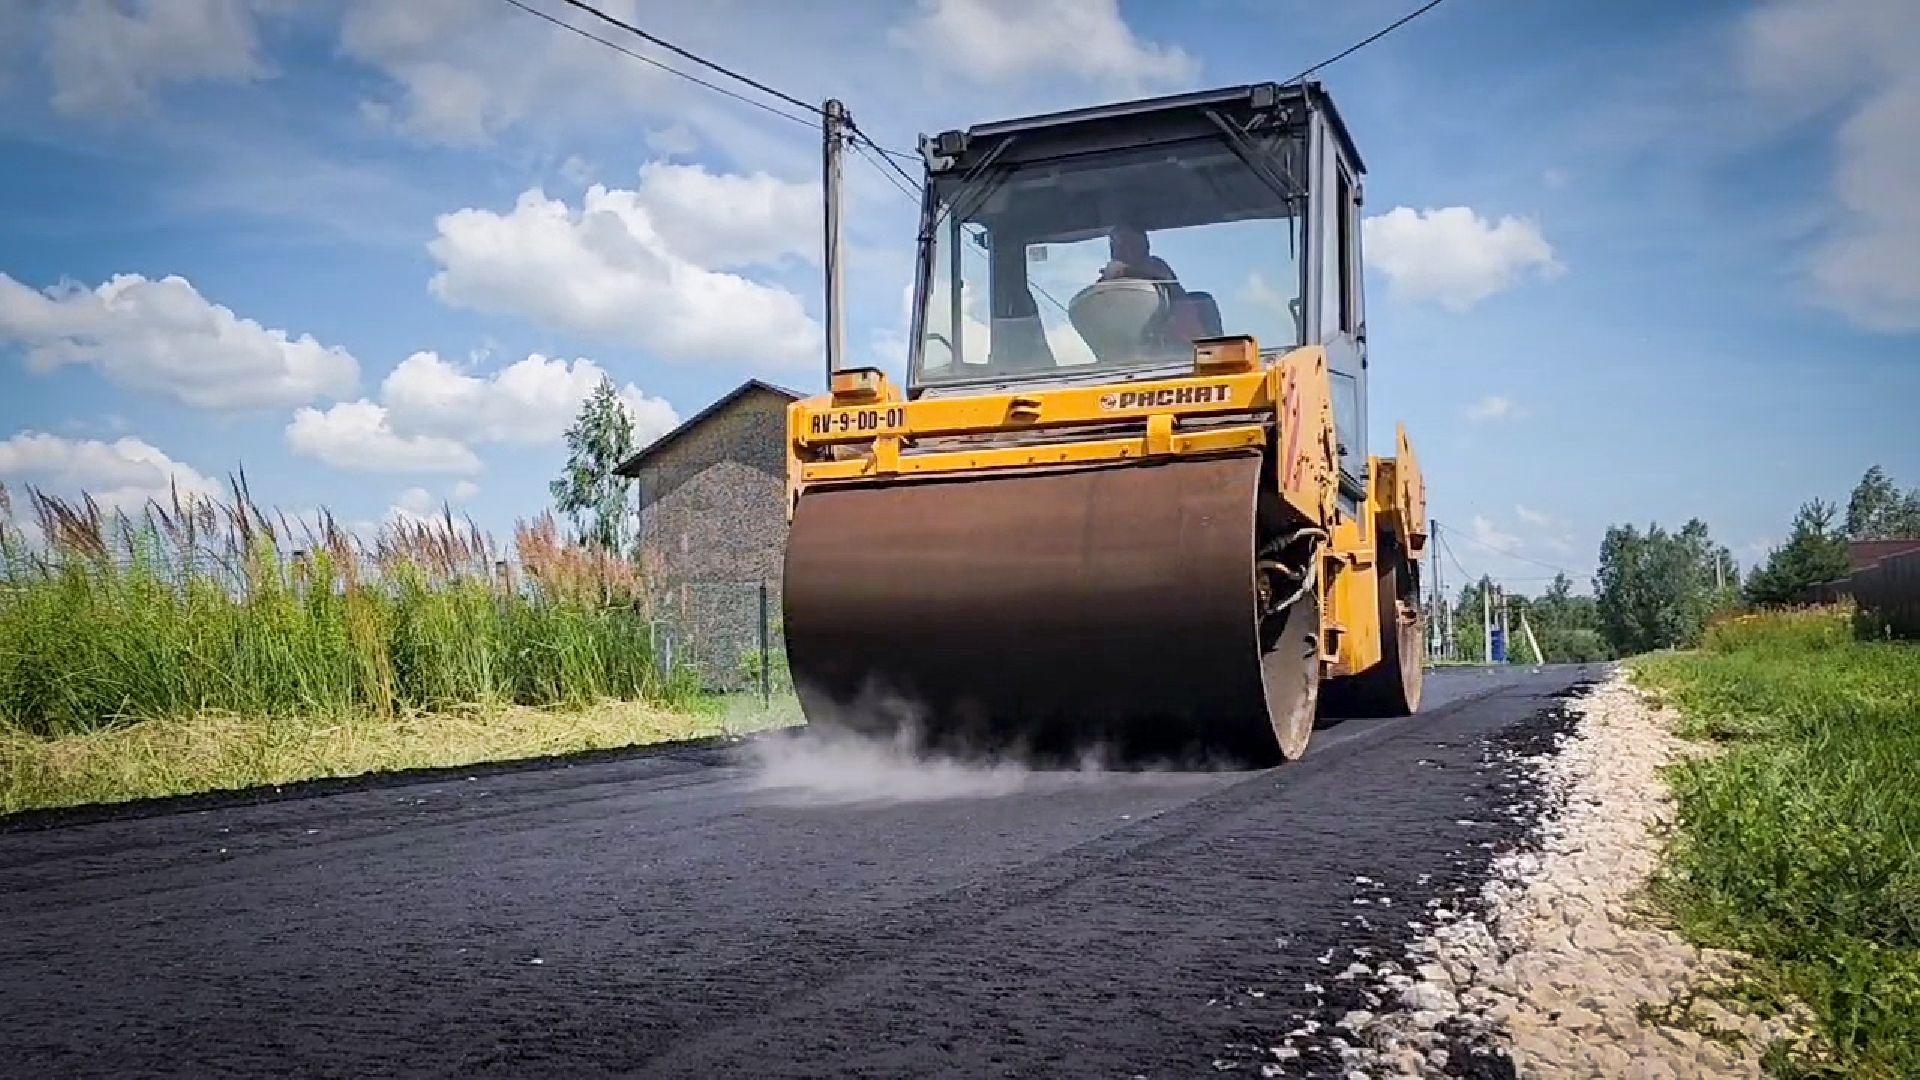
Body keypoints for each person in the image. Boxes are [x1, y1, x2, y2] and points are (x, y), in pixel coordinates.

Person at [1098, 225, 1182, 290]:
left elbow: (1182, 302)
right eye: (1120, 246)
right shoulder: (1106, 280)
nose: (1128, 251)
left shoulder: (1157, 266)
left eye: (1133, 245)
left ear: (1146, 246)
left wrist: (1125, 271)